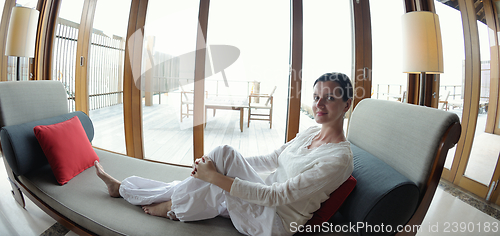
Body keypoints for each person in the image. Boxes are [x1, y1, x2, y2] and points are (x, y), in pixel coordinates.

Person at [95, 72, 354, 236]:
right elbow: (271, 159)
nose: (319, 104)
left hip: (273, 222)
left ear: (347, 104)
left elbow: (278, 196)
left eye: (330, 98)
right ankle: (130, 191)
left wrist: (215, 177)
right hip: (261, 200)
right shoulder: (310, 133)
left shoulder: (338, 159)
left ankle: (169, 207)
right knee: (221, 158)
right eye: (316, 96)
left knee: (214, 171)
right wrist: (218, 171)